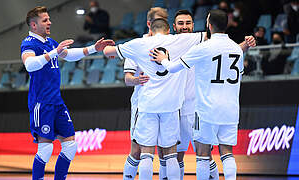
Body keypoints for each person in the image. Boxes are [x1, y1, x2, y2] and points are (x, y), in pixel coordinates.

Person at [104, 18, 208, 180]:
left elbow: (107, 52)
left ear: (150, 31)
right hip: (171, 107)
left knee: (146, 154)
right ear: (169, 30)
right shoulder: (180, 40)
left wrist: (109, 50)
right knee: (171, 155)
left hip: (148, 106)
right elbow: (209, 36)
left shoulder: (139, 44)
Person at [20, 6, 114, 180]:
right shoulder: (28, 43)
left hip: (56, 102)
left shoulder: (49, 42)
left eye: (49, 19)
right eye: (45, 20)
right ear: (34, 25)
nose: (50, 22)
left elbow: (69, 55)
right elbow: (30, 65)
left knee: (70, 146)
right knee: (46, 149)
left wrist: (94, 48)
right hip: (42, 103)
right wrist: (54, 52)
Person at [150, 9, 245, 180]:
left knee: (202, 155)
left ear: (208, 25)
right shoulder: (237, 50)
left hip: (205, 108)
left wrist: (163, 58)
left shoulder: (203, 47)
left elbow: (172, 67)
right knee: (227, 154)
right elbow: (240, 72)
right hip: (231, 109)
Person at [122, 7, 169, 180]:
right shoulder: (137, 45)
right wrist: (137, 79)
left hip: (167, 105)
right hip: (143, 104)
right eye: (159, 20)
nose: (162, 23)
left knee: (166, 151)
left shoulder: (172, 43)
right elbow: (127, 78)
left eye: (165, 20)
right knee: (137, 149)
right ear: (149, 24)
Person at [172, 9, 219, 180]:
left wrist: (245, 46)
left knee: (205, 154)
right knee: (176, 156)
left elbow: (225, 46)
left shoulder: (203, 41)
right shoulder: (169, 42)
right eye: (181, 23)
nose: (185, 27)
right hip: (174, 108)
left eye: (188, 23)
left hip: (196, 108)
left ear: (193, 25)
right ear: (173, 26)